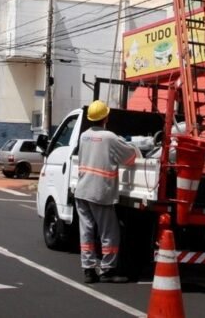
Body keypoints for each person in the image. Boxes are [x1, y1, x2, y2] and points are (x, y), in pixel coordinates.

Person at [75, 99, 139, 284]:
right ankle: (107, 271)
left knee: (86, 231)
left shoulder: (84, 136)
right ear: (106, 117)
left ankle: (88, 270)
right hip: (100, 191)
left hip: (82, 190)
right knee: (109, 232)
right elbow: (130, 158)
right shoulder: (110, 137)